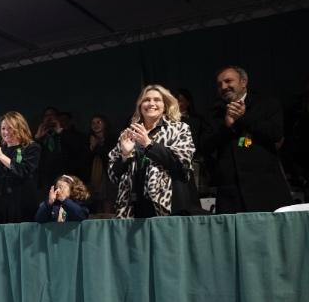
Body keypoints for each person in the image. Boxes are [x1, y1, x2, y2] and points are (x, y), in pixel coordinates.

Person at [204, 66, 291, 213]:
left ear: (243, 82)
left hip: (265, 187)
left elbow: (275, 134)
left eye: (228, 81)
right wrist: (226, 127)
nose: (223, 87)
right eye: (219, 84)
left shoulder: (266, 104)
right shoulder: (214, 112)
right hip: (230, 192)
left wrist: (243, 118)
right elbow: (205, 146)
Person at [108, 85, 196, 218]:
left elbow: (182, 165)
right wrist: (125, 155)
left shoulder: (180, 129)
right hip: (134, 207)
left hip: (170, 205)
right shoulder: (128, 134)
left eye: (157, 100)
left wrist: (149, 144)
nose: (151, 103)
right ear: (140, 106)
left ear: (165, 106)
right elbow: (113, 176)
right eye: (146, 100)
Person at [0, 111, 41, 224]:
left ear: (20, 128)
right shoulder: (0, 150)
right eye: (3, 128)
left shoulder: (32, 148)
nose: (6, 132)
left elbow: (23, 171)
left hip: (21, 206)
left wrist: (1, 156)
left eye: (10, 128)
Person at [86, 114, 114, 216]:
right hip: (93, 176)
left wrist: (97, 145)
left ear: (105, 124)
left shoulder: (112, 138)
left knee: (107, 202)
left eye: (99, 122)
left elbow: (110, 156)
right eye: (93, 123)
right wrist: (92, 147)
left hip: (108, 175)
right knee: (96, 204)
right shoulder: (88, 139)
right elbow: (84, 160)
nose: (95, 125)